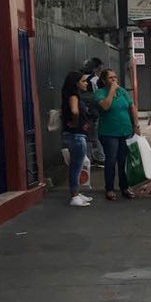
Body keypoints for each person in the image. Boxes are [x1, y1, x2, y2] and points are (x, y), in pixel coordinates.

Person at [95, 68, 141, 201]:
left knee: (124, 160)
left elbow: (132, 107)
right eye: (110, 78)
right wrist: (111, 91)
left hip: (125, 131)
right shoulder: (100, 93)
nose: (114, 80)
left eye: (115, 77)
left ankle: (125, 187)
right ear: (104, 81)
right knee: (111, 159)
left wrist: (136, 125)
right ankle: (109, 188)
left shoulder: (123, 92)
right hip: (109, 133)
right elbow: (105, 106)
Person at [60, 71, 94, 208]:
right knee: (76, 166)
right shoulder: (73, 96)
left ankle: (77, 193)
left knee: (76, 166)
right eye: (83, 81)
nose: (86, 83)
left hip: (73, 135)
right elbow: (75, 111)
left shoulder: (70, 95)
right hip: (76, 136)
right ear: (76, 83)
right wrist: (75, 122)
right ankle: (74, 196)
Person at [81, 58, 106, 166]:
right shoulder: (95, 80)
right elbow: (99, 96)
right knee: (97, 136)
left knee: (85, 135)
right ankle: (101, 157)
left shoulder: (79, 78)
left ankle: (88, 158)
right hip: (95, 111)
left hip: (83, 111)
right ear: (96, 68)